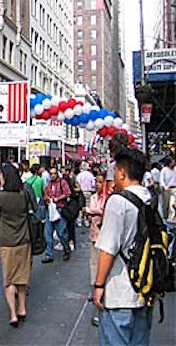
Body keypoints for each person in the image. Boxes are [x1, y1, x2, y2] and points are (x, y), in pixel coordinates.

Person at [93, 148, 152, 345]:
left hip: (120, 291)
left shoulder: (118, 202)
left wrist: (99, 285)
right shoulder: (149, 198)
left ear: (122, 172)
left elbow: (108, 249)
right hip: (144, 287)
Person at [0, 164, 31, 327]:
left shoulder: (0, 197)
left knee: (8, 279)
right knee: (21, 277)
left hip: (7, 240)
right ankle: (22, 308)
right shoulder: (23, 196)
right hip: (23, 239)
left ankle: (13, 314)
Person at [83, 173, 107, 327]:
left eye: (100, 182)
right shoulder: (92, 198)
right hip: (94, 234)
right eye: (96, 182)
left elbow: (106, 214)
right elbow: (90, 216)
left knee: (103, 264)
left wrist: (97, 213)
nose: (97, 185)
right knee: (93, 263)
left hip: (105, 236)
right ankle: (96, 286)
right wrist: (89, 215)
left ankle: (102, 288)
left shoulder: (108, 198)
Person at [41, 167, 71, 263]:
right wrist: (47, 199)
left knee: (61, 233)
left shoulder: (62, 183)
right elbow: (45, 194)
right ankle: (49, 254)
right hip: (50, 210)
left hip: (59, 209)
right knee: (48, 233)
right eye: (51, 174)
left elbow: (67, 193)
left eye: (54, 173)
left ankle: (66, 249)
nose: (52, 175)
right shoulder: (49, 184)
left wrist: (57, 198)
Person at [76, 162, 96, 227]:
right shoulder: (90, 175)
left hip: (81, 192)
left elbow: (77, 184)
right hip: (89, 192)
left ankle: (79, 221)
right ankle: (86, 221)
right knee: (87, 207)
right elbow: (93, 184)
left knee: (80, 207)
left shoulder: (79, 175)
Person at [160, 156, 176, 220]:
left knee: (174, 204)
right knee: (166, 204)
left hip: (175, 188)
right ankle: (165, 218)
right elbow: (161, 180)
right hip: (167, 188)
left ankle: (173, 218)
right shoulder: (164, 170)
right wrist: (165, 186)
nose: (174, 163)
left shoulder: (175, 169)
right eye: (172, 162)